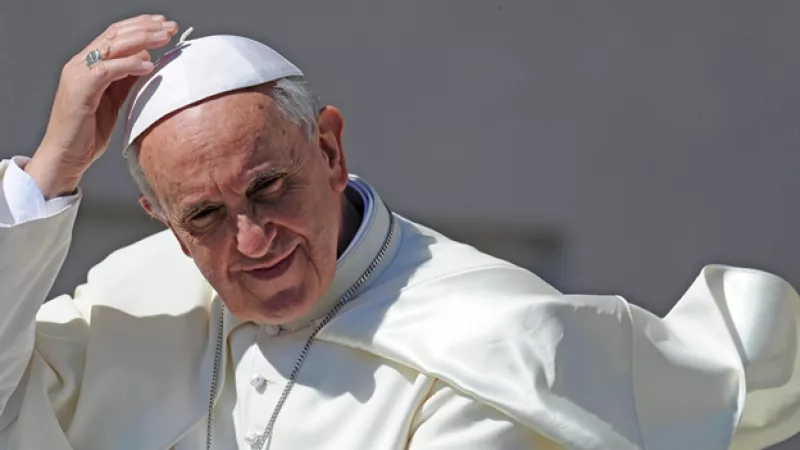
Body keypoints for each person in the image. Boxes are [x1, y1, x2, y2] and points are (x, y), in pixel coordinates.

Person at [0, 14, 798, 450]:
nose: (251, 241)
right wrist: (49, 175)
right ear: (165, 225)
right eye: (204, 216)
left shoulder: (490, 342)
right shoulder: (133, 303)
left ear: (330, 149)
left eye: (268, 188)